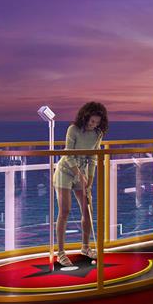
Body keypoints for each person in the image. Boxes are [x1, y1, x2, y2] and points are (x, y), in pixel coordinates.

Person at [52, 101, 108, 266]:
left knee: (87, 210)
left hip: (82, 173)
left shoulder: (97, 133)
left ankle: (85, 247)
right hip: (65, 172)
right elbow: (68, 154)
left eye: (97, 122)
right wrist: (78, 174)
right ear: (85, 117)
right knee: (65, 211)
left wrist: (90, 179)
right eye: (92, 121)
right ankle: (60, 253)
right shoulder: (73, 129)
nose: (93, 124)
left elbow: (93, 157)